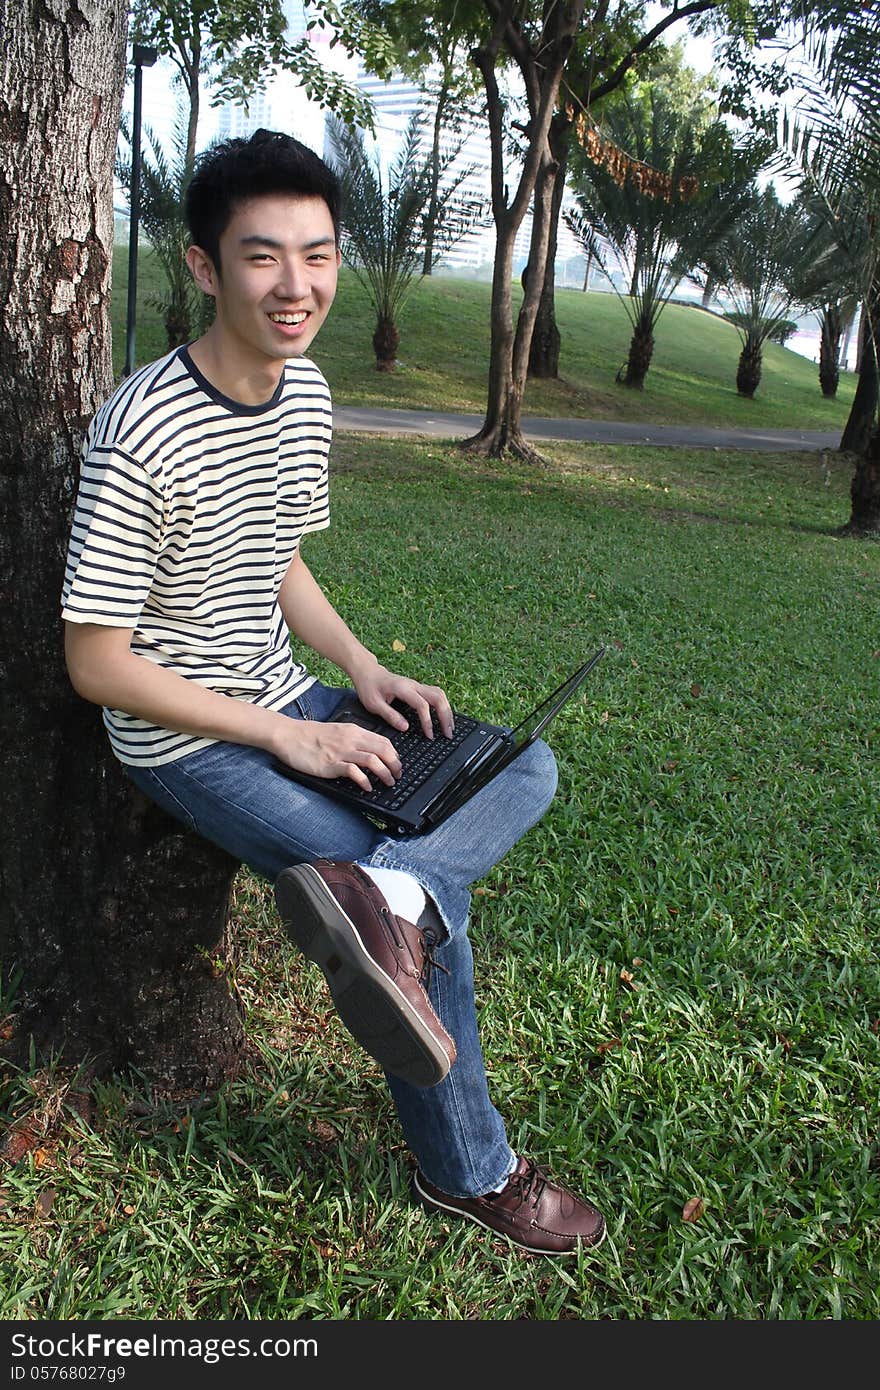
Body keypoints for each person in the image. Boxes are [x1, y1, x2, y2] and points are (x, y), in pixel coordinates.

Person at [61, 129, 606, 1258]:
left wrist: (362, 673)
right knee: (423, 932)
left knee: (522, 763)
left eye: (317, 254)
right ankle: (472, 1172)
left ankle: (393, 897)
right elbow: (97, 662)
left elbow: (277, 560)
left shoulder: (302, 394)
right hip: (184, 736)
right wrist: (285, 738)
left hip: (290, 695)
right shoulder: (141, 430)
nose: (296, 284)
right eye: (262, 256)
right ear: (206, 268)